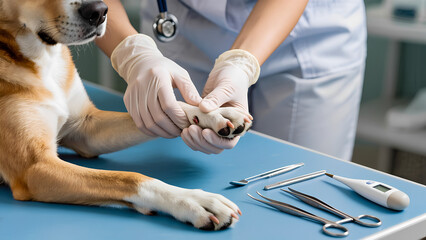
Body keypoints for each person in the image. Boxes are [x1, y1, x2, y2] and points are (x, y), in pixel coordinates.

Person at [96, 0, 366, 161]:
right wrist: (131, 53)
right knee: (184, 179)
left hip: (310, 33)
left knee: (306, 181)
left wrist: (241, 64)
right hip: (183, 23)